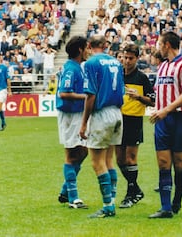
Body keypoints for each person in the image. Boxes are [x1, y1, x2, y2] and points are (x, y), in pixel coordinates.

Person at [148, 31, 182, 218]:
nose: (158, 46)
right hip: (162, 120)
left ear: (167, 44)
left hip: (180, 118)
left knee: (179, 162)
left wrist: (166, 109)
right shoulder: (162, 67)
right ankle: (165, 207)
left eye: (160, 43)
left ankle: (177, 201)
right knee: (163, 162)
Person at [79, 35, 125, 218]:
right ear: (105, 46)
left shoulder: (91, 63)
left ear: (89, 46)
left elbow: (90, 95)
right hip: (116, 112)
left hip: (101, 114)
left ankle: (108, 206)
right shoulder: (116, 62)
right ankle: (111, 201)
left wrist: (83, 123)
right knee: (109, 161)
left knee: (97, 162)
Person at [116, 44, 155, 209]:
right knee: (119, 160)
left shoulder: (142, 78)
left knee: (130, 158)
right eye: (125, 57)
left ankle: (130, 194)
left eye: (130, 58)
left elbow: (153, 100)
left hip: (134, 121)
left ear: (137, 59)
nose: (127, 61)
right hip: (117, 120)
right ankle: (136, 190)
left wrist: (139, 97)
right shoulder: (117, 76)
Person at [56, 36, 89, 209]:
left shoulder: (78, 67)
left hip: (77, 114)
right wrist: (85, 97)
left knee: (83, 151)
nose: (88, 51)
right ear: (80, 50)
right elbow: (63, 92)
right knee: (71, 154)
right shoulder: (71, 68)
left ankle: (65, 190)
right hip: (69, 114)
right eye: (86, 48)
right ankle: (73, 198)